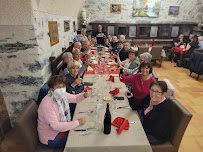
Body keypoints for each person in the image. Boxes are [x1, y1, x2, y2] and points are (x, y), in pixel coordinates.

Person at [38, 75, 87, 148]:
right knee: (80, 139)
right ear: (52, 89)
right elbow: (55, 126)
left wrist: (84, 95)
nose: (61, 89)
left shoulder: (61, 96)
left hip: (59, 129)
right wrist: (77, 122)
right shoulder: (47, 104)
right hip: (51, 137)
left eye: (63, 86)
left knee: (84, 132)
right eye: (58, 87)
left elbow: (75, 98)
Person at [127, 81, 171, 145]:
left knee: (131, 139)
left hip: (156, 136)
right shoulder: (150, 98)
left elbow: (156, 129)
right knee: (128, 128)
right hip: (147, 127)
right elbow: (136, 106)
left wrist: (151, 108)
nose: (153, 94)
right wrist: (131, 97)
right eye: (152, 90)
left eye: (157, 92)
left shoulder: (165, 108)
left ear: (163, 94)